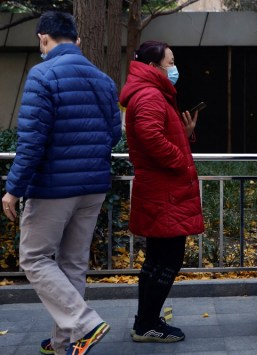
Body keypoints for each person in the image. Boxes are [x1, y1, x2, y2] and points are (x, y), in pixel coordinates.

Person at [1, 11, 121, 355]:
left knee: (35, 258)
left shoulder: (43, 75)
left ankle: (85, 323)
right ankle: (65, 342)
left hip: (54, 187)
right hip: (93, 185)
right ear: (77, 40)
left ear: (43, 38)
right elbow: (113, 134)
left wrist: (14, 188)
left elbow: (32, 140)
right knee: (72, 263)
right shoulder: (103, 79)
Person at [119, 40, 204, 343]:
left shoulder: (151, 94)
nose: (174, 68)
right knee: (167, 258)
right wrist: (180, 160)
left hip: (160, 190)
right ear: (153, 67)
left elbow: (153, 135)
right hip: (164, 191)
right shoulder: (151, 96)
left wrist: (185, 133)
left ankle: (146, 320)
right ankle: (147, 323)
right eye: (170, 62)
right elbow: (150, 136)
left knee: (157, 259)